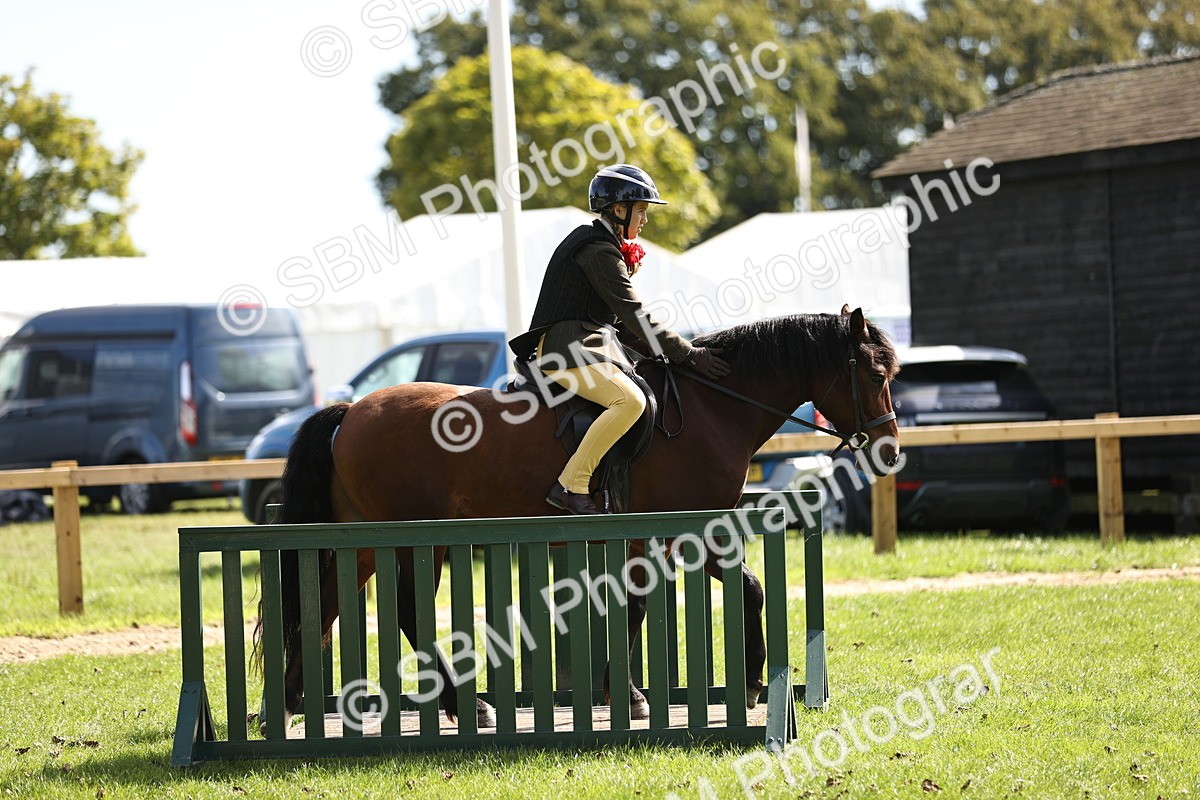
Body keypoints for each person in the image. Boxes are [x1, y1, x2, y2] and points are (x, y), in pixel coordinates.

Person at [509, 164, 730, 515]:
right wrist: (690, 355)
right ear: (619, 210)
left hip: (585, 345)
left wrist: (668, 356)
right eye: (641, 211)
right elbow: (636, 316)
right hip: (565, 351)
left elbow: (623, 327)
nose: (645, 220)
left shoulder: (603, 245)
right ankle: (571, 485)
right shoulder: (597, 249)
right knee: (629, 402)